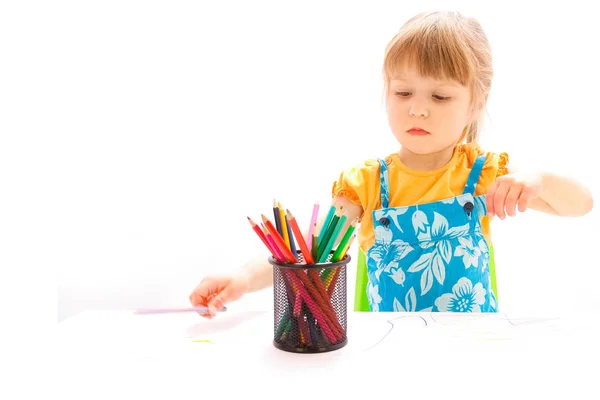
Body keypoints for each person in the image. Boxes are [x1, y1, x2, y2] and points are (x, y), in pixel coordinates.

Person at [189, 10, 593, 317]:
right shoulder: (365, 183)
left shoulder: (484, 175)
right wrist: (241, 279)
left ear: (477, 101)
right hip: (387, 355)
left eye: (440, 97)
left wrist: (538, 180)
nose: (418, 110)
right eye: (403, 93)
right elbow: (307, 248)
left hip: (471, 354)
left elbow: (582, 204)